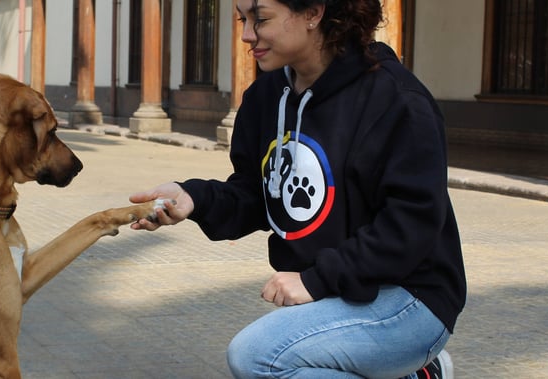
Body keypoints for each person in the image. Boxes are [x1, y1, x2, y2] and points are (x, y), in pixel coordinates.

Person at [129, 0, 466, 378]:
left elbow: (410, 225)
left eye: (261, 18)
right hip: (341, 295)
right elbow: (258, 195)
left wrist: (316, 279)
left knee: (258, 356)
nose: (246, 35)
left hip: (411, 298)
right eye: (243, 19)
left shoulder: (397, 100)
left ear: (313, 12)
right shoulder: (265, 98)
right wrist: (194, 198)